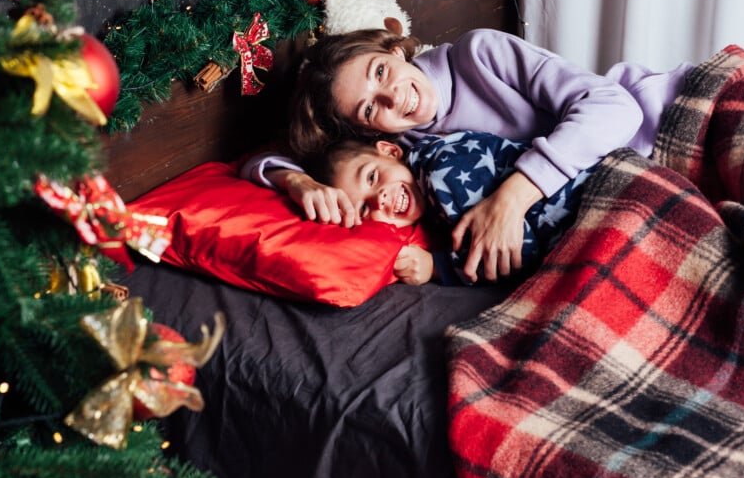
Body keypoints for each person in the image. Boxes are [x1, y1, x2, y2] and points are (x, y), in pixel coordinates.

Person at [242, 27, 696, 284]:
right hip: (615, 196)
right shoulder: (403, 153)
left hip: (666, 120)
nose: (393, 97)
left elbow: (618, 109)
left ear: (395, 51)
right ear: (367, 131)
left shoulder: (478, 54)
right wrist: (297, 181)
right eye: (369, 108)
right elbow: (258, 161)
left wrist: (513, 198)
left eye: (381, 72)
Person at [307, 132, 593, 286]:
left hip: (587, 200)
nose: (379, 199)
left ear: (391, 151)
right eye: (363, 209)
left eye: (372, 177)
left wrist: (436, 267)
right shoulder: (428, 169)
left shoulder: (442, 174)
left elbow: (514, 253)